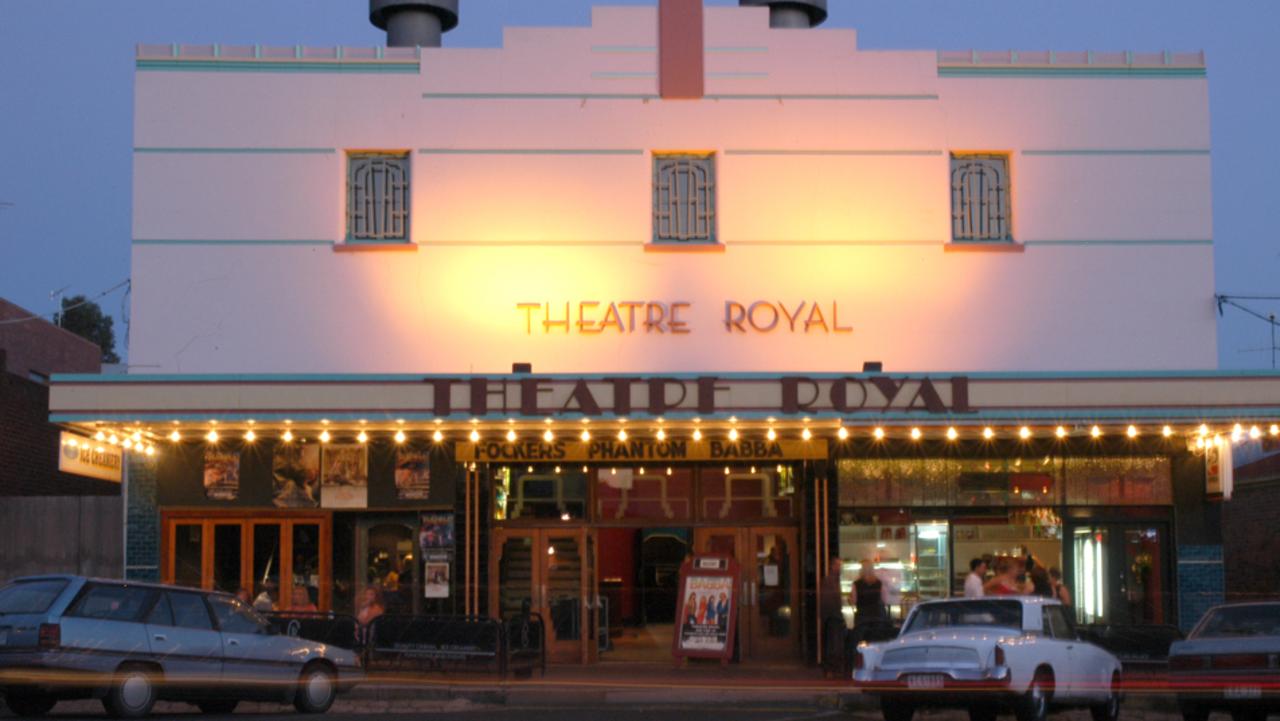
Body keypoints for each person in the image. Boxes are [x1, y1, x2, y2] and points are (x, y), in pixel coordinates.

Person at [820, 557, 847, 679]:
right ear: (833, 566)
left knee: (833, 643)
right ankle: (832, 669)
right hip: (833, 616)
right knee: (834, 644)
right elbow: (829, 600)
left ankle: (832, 668)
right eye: (838, 565)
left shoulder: (833, 580)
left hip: (832, 616)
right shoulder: (831, 580)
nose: (840, 568)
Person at [852, 559, 888, 627]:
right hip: (877, 617)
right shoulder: (879, 583)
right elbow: (884, 600)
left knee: (862, 636)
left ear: (861, 569)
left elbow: (854, 601)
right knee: (875, 636)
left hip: (862, 618)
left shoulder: (856, 584)